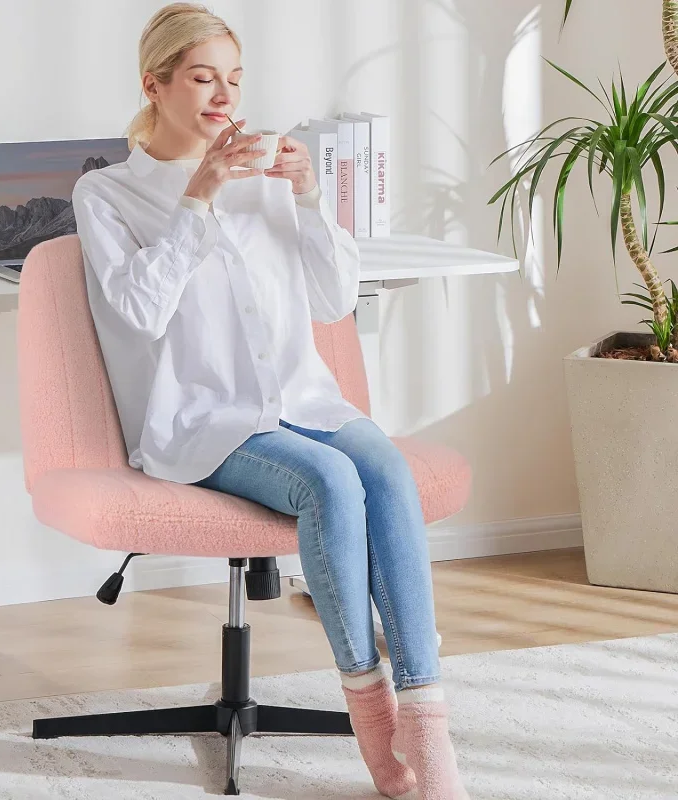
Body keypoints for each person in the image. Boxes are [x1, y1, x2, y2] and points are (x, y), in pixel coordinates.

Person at [71, 3, 469, 798]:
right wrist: (198, 198)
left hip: (303, 399)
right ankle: (371, 711)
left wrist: (311, 197)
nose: (224, 95)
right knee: (330, 483)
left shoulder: (266, 180)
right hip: (205, 422)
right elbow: (141, 312)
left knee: (384, 469)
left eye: (234, 77)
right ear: (154, 85)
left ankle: (425, 719)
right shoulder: (107, 194)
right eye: (202, 77)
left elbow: (333, 300)